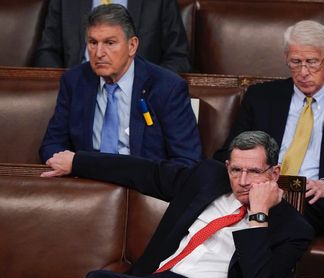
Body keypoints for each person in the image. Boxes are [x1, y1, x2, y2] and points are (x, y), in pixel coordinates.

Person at [41, 130, 314, 278]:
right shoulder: (207, 178)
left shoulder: (294, 229)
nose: (242, 181)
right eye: (235, 170)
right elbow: (147, 172)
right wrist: (78, 161)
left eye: (254, 172)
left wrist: (258, 215)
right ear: (227, 166)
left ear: (274, 173)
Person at [214, 20, 324, 236]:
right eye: (295, 62)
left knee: (282, 214)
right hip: (258, 189)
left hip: (314, 200)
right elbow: (228, 153)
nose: (303, 72)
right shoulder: (261, 98)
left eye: (312, 62)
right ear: (286, 59)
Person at [39, 4, 202, 166]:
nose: (99, 53)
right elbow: (51, 145)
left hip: (143, 186)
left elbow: (187, 160)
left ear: (132, 46)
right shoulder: (74, 81)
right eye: (93, 43)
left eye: (110, 43)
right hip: (86, 184)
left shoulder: (167, 87)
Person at [33, 0, 191, 73]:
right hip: (79, 93)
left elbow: (178, 57)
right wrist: (69, 84)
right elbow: (47, 52)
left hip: (138, 96)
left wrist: (147, 86)